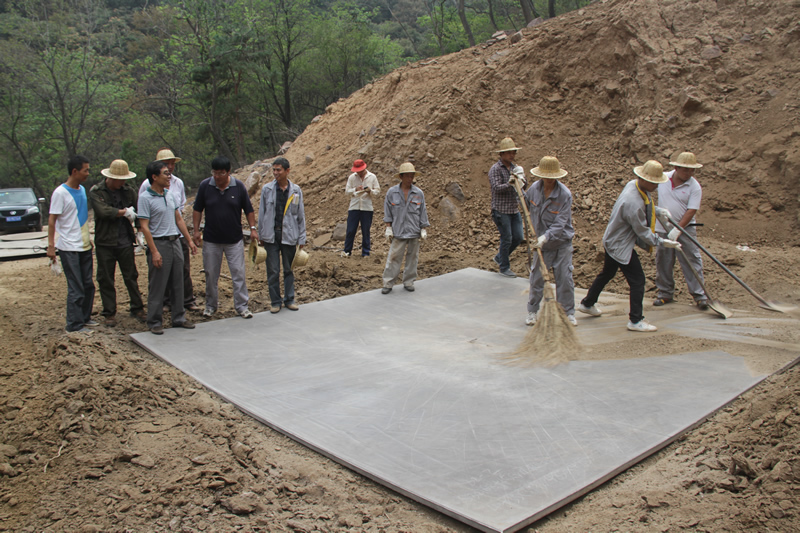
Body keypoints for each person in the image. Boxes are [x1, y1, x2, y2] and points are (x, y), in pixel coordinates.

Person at [578, 160, 681, 332]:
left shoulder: (633, 185)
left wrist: (657, 211)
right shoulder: (633, 202)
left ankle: (588, 303)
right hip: (620, 245)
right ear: (645, 179)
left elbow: (646, 205)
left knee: (607, 273)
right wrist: (662, 241)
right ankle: (635, 320)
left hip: (612, 239)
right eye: (655, 183)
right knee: (638, 280)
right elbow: (642, 232)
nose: (656, 186)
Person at [192, 156, 257, 319]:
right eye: (214, 173)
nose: (217, 177)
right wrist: (196, 230)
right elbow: (197, 209)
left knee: (238, 273)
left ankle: (242, 305)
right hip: (211, 239)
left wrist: (253, 228)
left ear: (228, 172)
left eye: (221, 173)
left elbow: (248, 209)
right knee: (211, 273)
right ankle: (210, 305)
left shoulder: (238, 187)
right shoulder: (205, 186)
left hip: (234, 239)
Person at [138, 160, 198, 334]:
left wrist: (189, 240)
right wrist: (154, 251)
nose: (169, 176)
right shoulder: (145, 198)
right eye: (165, 173)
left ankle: (179, 317)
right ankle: (155, 321)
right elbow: (144, 226)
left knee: (178, 280)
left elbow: (178, 218)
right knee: (158, 283)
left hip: (175, 242)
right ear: (154, 177)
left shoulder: (169, 194)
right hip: (159, 242)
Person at [90, 159, 145, 327]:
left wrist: (139, 230)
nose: (123, 183)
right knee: (106, 277)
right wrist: (123, 212)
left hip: (124, 240)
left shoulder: (128, 191)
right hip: (105, 241)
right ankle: (109, 312)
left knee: (131, 275)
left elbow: (137, 210)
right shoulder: (97, 191)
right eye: (120, 179)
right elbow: (103, 211)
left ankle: (137, 307)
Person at [522, 156, 577, 327]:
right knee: (537, 278)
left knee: (564, 278)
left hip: (561, 243)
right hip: (542, 247)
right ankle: (532, 311)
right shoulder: (534, 190)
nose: (548, 179)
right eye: (546, 175)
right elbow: (524, 205)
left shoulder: (564, 195)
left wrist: (545, 237)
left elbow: (561, 223)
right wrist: (517, 186)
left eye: (552, 176)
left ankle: (568, 313)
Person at [47, 155, 98, 333]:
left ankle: (85, 317)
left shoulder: (82, 190)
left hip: (84, 245)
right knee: (76, 287)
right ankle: (73, 325)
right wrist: (51, 245)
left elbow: (82, 217)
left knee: (88, 285)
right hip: (69, 247)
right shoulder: (60, 193)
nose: (87, 173)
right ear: (74, 171)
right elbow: (52, 220)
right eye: (85, 170)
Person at [654, 152, 708, 309]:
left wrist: (678, 230)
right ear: (676, 167)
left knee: (691, 259)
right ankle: (665, 293)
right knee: (663, 260)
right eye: (686, 170)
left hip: (685, 229)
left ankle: (700, 295)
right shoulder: (663, 178)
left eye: (692, 170)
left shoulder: (694, 186)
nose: (689, 173)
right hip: (663, 227)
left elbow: (691, 210)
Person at [257, 157, 306, 313]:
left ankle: (289, 299)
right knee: (273, 270)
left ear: (287, 171)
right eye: (274, 170)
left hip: (289, 235)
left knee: (288, 269)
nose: (275, 173)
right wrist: (261, 235)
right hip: (271, 235)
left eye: (279, 170)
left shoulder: (296, 191)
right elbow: (262, 213)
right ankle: (275, 301)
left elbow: (300, 215)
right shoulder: (267, 189)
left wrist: (302, 237)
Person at [381, 162, 430, 294]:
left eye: (412, 176)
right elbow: (388, 211)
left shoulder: (418, 193)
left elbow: (422, 211)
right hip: (398, 231)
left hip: (414, 231)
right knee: (394, 257)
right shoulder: (392, 193)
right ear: (401, 177)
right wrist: (388, 227)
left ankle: (408, 281)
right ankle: (388, 282)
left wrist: (423, 228)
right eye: (407, 176)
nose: (410, 179)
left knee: (412, 258)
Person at [488, 137, 526, 277]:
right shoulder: (495, 169)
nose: (512, 155)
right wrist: (510, 183)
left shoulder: (515, 168)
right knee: (507, 237)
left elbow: (523, 185)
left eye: (513, 152)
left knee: (518, 237)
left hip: (513, 208)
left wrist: (521, 180)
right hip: (501, 210)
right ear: (502, 154)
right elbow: (496, 188)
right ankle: (504, 267)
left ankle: (500, 257)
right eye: (509, 152)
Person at [343, 159, 380, 257]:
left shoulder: (372, 177)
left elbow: (377, 191)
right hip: (354, 206)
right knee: (350, 230)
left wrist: (369, 191)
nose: (358, 172)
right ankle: (347, 251)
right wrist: (355, 189)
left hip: (367, 207)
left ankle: (366, 252)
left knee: (366, 230)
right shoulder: (352, 177)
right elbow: (347, 191)